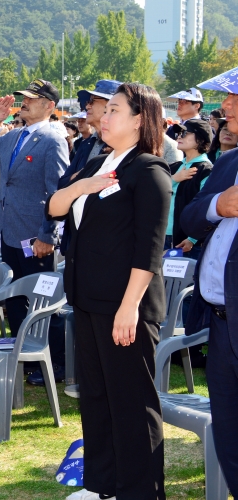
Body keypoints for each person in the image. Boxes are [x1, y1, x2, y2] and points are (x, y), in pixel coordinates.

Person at [47, 82, 171, 499]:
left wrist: (129, 306)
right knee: (96, 397)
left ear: (139, 120)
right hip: (87, 298)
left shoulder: (149, 170)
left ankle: (140, 491)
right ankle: (102, 485)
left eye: (114, 110)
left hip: (124, 305)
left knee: (132, 403)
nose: (103, 116)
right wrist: (83, 185)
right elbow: (55, 206)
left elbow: (149, 248)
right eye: (105, 110)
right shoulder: (99, 161)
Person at [0, 79, 69, 386]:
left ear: (50, 106)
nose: (24, 103)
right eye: (24, 98)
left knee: (43, 299)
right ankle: (25, 355)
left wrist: (48, 234)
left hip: (35, 235)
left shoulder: (53, 139)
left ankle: (55, 361)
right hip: (9, 231)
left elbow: (57, 191)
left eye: (32, 99)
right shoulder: (13, 136)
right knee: (14, 299)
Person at [181, 75, 238, 498]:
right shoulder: (230, 162)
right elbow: (193, 215)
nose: (227, 110)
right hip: (219, 323)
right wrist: (220, 205)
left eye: (236, 101)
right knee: (229, 430)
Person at [60, 81, 122, 190]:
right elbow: (62, 182)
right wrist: (85, 176)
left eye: (92, 101)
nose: (87, 106)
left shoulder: (123, 146)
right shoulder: (86, 144)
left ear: (112, 105)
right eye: (87, 102)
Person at [166, 118, 212, 259]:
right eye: (178, 133)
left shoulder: (207, 170)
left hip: (185, 242)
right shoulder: (174, 167)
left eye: (185, 133)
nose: (179, 136)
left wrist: (192, 239)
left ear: (200, 139)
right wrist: (174, 179)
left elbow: (206, 207)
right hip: (161, 235)